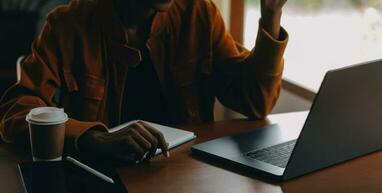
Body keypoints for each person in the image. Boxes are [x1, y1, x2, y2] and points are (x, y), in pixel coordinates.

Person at [0, 0, 288, 162]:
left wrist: (271, 14)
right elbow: (16, 112)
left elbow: (255, 101)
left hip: (184, 175)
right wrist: (92, 137)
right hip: (101, 178)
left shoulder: (198, 13)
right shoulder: (68, 25)